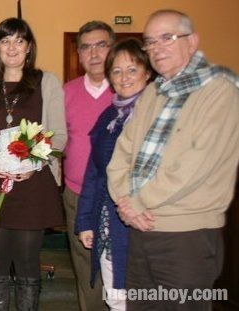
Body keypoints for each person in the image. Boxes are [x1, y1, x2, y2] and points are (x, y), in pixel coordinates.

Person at [107, 9, 239, 310]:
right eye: (150, 42)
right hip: (140, 230)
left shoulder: (219, 91)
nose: (156, 48)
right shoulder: (152, 93)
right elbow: (122, 154)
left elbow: (196, 166)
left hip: (187, 236)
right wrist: (125, 201)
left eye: (167, 38)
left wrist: (136, 202)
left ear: (192, 41)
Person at [0, 18, 66, 310]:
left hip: (32, 185)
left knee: (27, 263)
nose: (12, 47)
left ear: (29, 47)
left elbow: (59, 134)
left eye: (19, 41)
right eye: (5, 41)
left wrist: (33, 163)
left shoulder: (46, 81)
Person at [75, 38, 153, 311]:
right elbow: (94, 173)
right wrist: (85, 221)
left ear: (147, 71)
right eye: (117, 71)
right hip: (109, 222)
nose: (124, 77)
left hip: (149, 223)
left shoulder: (159, 113)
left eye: (132, 69)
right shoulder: (109, 116)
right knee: (116, 297)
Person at [62, 20, 115, 311]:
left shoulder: (128, 89)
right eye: (86, 47)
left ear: (113, 48)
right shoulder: (66, 92)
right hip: (76, 195)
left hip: (117, 199)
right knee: (86, 271)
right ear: (79, 54)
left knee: (121, 268)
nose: (93, 53)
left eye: (101, 45)